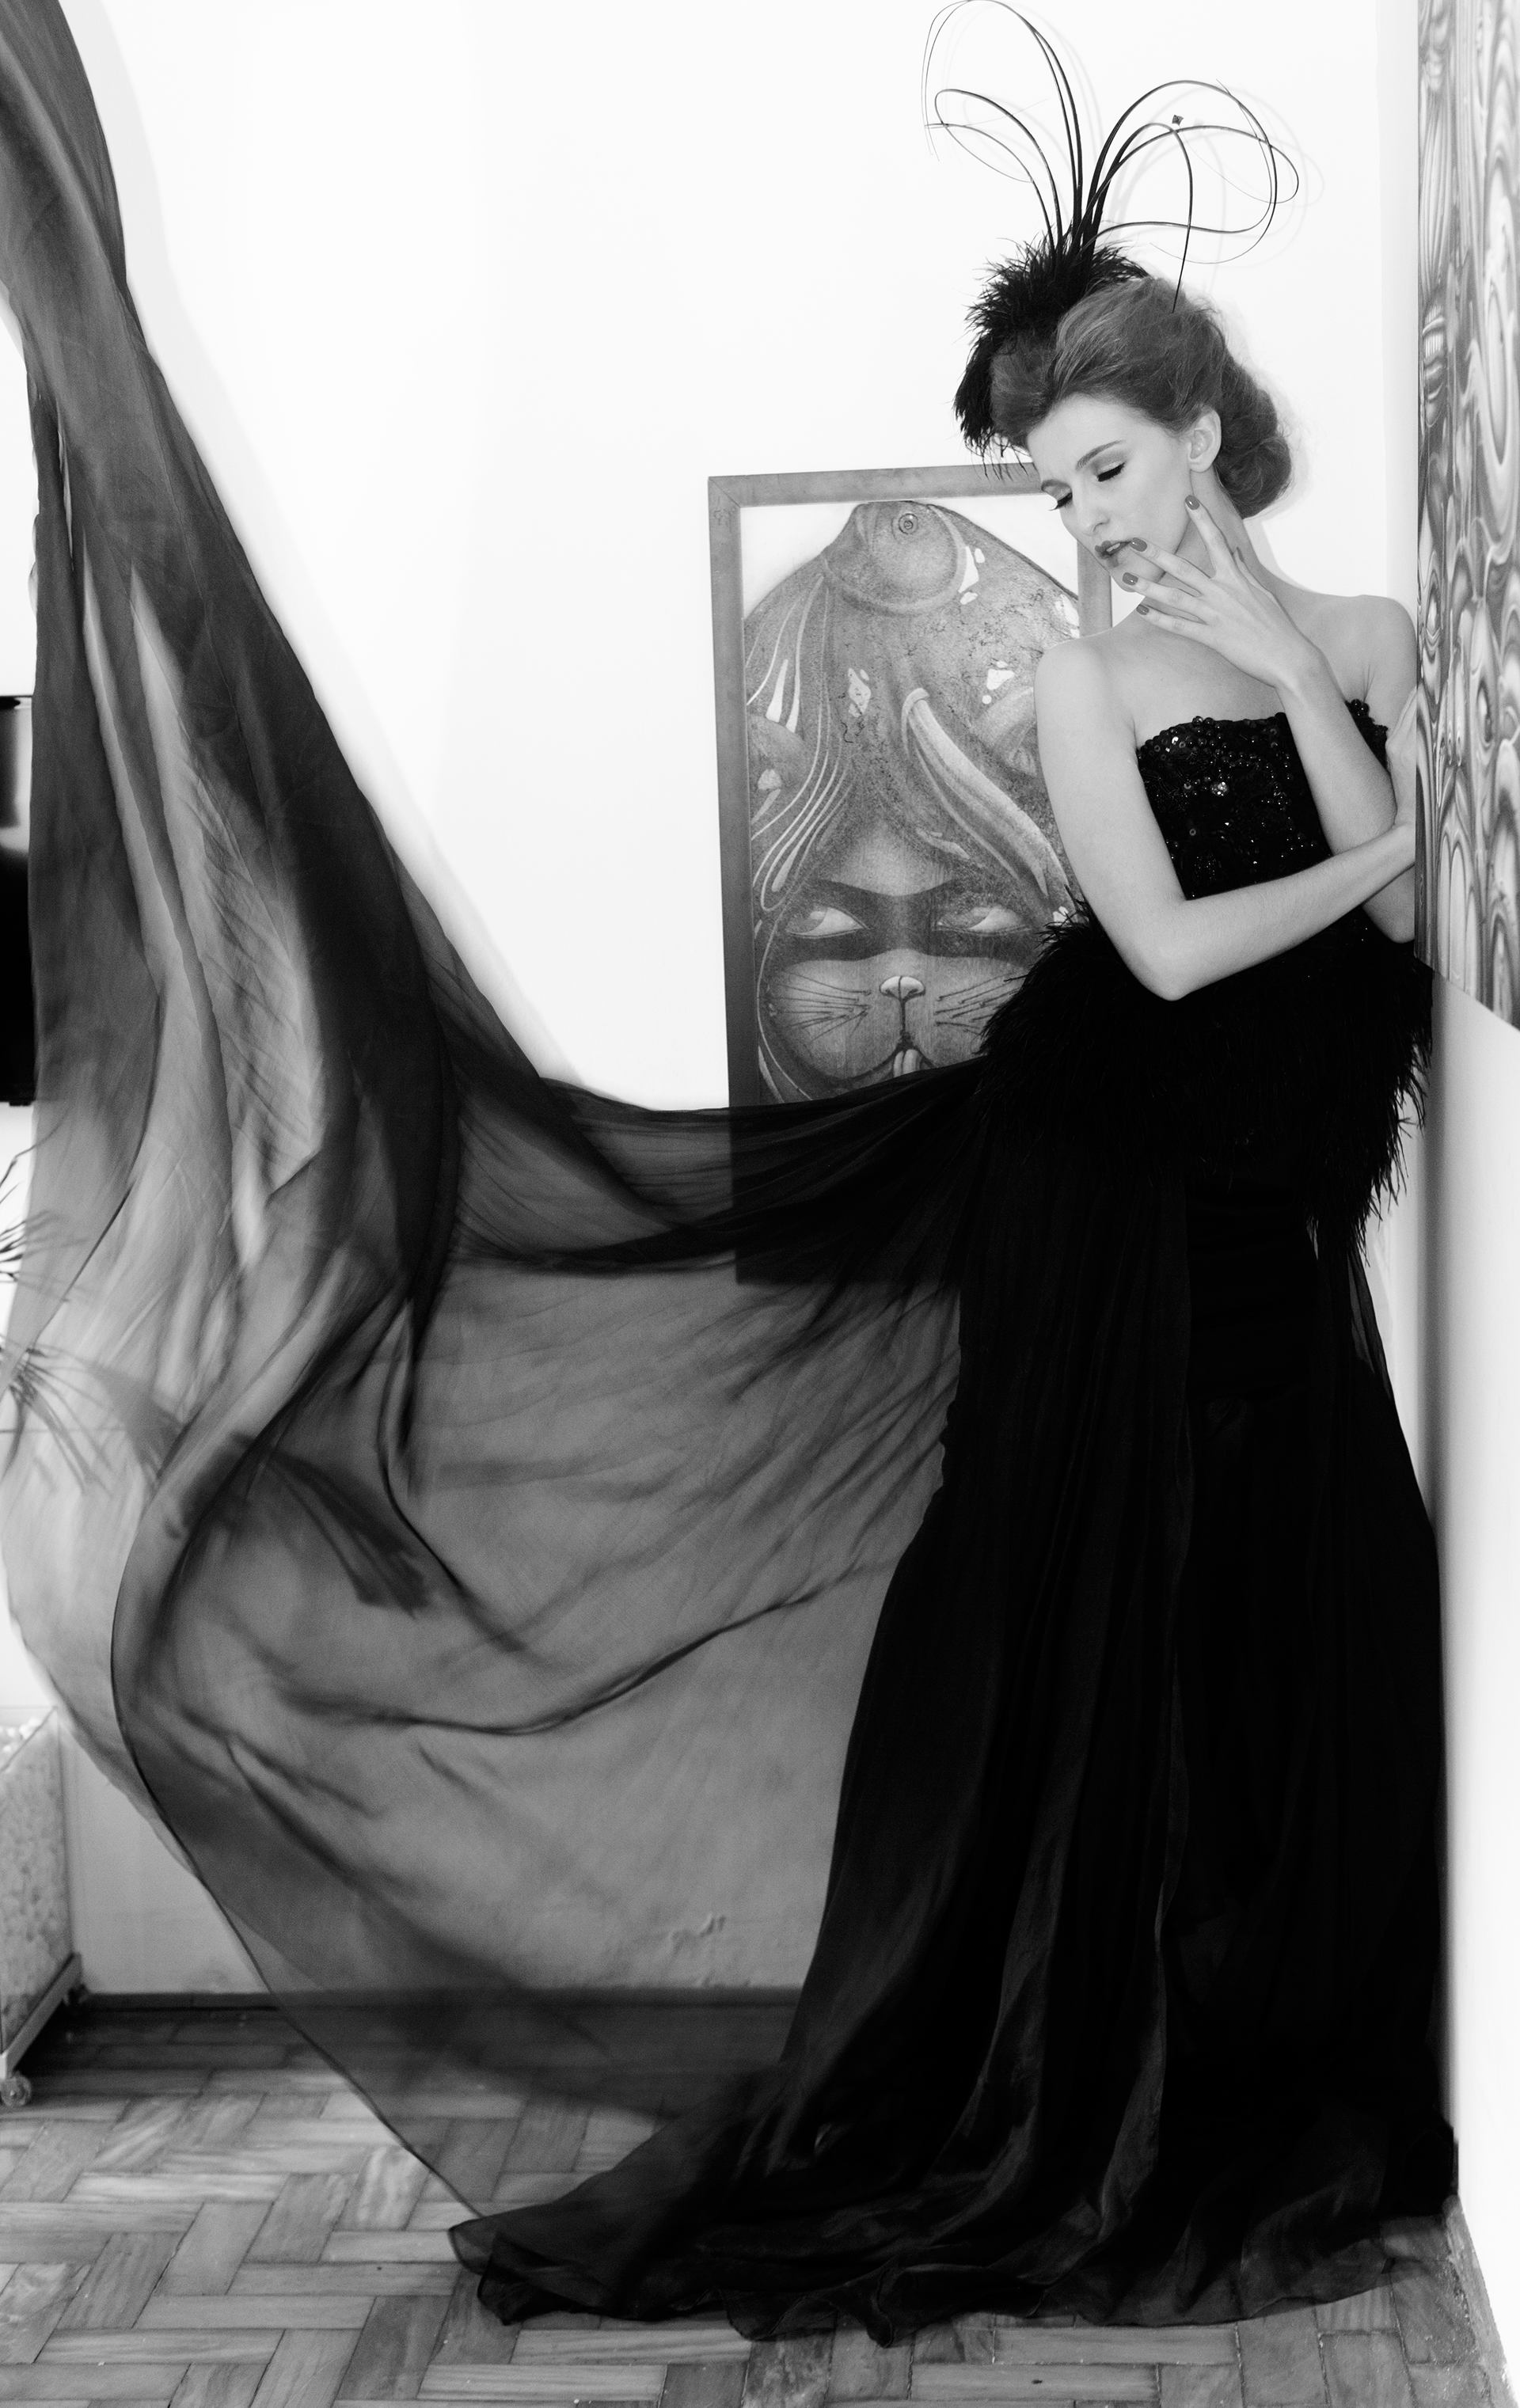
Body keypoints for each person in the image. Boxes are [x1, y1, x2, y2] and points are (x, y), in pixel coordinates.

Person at [0, 0, 1450, 2343]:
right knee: (1106, 1641)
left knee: (1299, 1611)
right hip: (1105, 1198)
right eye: (1059, 490)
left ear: (1201, 430)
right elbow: (1186, 951)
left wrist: (1298, 675)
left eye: (1108, 468)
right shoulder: (1080, 683)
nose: (1092, 524)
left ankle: (1255, 2075)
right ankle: (1084, 2090)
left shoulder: (1356, 634)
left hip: (1257, 1207)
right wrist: (1372, 825)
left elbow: (1388, 934)